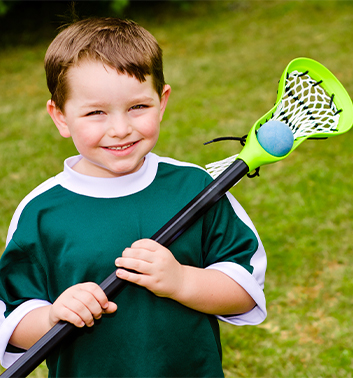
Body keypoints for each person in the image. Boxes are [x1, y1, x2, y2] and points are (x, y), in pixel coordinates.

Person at [0, 17, 267, 377]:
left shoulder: (195, 188)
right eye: (96, 112)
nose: (121, 128)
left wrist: (182, 281)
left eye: (137, 107)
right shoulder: (43, 212)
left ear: (162, 100)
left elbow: (245, 288)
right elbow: (11, 319)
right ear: (60, 116)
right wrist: (51, 315)